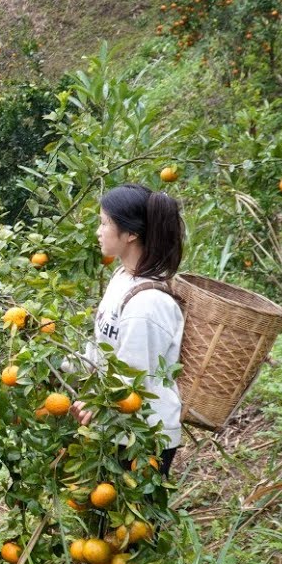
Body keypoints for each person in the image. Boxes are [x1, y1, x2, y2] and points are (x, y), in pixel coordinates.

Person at [66, 182, 185, 474]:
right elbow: (104, 347)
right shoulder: (122, 277)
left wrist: (97, 403)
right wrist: (62, 364)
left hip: (144, 436)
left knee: (133, 507)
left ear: (131, 234)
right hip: (114, 425)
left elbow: (134, 374)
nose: (98, 231)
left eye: (104, 223)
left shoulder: (148, 303)